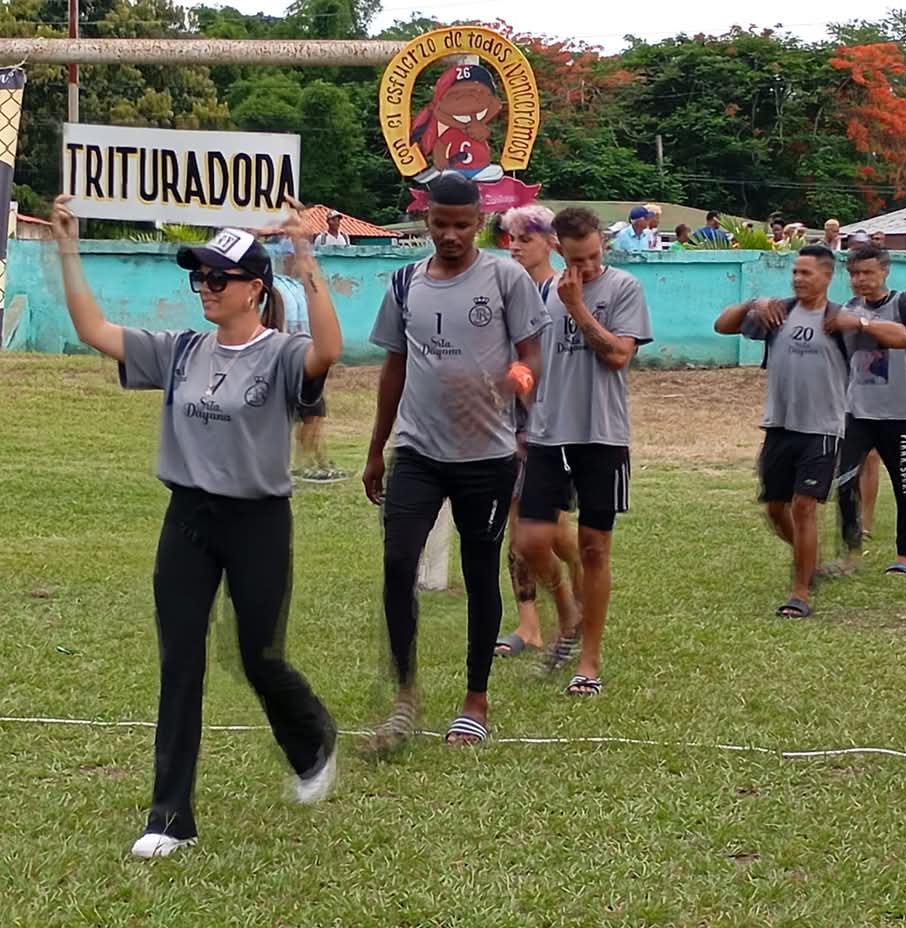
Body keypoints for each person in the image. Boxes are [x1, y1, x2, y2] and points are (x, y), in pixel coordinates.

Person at [51, 195, 341, 858]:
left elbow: (328, 349)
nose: (205, 288)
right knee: (180, 664)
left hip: (257, 521)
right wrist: (68, 246)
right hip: (188, 518)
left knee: (259, 656)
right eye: (199, 276)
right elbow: (95, 330)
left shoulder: (279, 355)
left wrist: (306, 255)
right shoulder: (180, 350)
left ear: (254, 290)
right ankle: (169, 816)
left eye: (218, 278)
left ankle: (311, 740)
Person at [363, 173, 548, 745]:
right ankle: (404, 695)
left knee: (478, 570)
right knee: (398, 565)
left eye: (462, 225)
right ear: (426, 220)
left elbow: (530, 359)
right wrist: (377, 448)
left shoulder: (506, 278)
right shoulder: (403, 283)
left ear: (479, 221)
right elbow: (394, 367)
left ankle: (476, 698)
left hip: (486, 455)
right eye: (440, 224)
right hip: (417, 450)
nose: (450, 235)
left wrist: (513, 389)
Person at [516, 207, 653, 695]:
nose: (590, 265)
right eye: (579, 258)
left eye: (595, 255)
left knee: (595, 549)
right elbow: (529, 357)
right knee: (530, 541)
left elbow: (618, 354)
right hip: (549, 432)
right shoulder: (540, 293)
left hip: (602, 435)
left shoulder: (623, 288)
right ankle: (567, 611)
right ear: (558, 249)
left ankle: (588, 662)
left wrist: (577, 307)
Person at [715, 246, 858, 618]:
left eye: (806, 273)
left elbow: (897, 339)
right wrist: (752, 302)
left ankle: (800, 592)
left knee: (805, 507)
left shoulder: (838, 318)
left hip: (822, 428)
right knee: (776, 509)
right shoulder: (778, 313)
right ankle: (809, 559)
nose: (798, 278)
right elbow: (722, 325)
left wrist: (860, 325)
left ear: (827, 276)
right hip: (779, 425)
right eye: (795, 272)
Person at [495, 204, 583, 656]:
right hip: (506, 423)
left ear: (551, 241)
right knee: (519, 527)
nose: (515, 245)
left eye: (525, 238)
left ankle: (582, 578)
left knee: (550, 531)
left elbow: (559, 361)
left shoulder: (559, 293)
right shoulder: (504, 291)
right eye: (511, 237)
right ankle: (528, 624)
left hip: (550, 425)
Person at [829, 246, 906, 576]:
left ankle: (904, 556)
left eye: (867, 273)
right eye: (854, 274)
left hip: (899, 413)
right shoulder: (845, 310)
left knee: (903, 484)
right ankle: (851, 552)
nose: (860, 280)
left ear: (884, 271)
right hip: (857, 412)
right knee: (844, 483)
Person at [272, 237, 346, 481]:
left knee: (314, 412)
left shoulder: (299, 287)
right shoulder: (277, 286)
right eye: (297, 257)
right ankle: (303, 464)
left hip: (309, 355)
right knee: (302, 413)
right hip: (291, 358)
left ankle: (314, 462)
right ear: (287, 258)